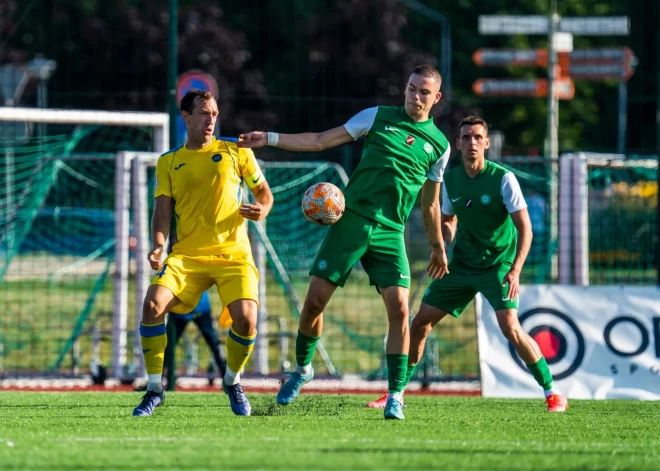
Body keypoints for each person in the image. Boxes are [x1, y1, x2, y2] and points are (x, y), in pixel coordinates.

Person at [238, 65, 451, 420]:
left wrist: (437, 247)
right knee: (314, 303)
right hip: (350, 222)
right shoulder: (377, 117)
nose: (416, 96)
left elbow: (430, 204)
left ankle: (396, 394)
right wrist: (270, 138)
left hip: (390, 232)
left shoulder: (440, 146)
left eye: (424, 92)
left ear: (436, 98)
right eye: (411, 89)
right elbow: (321, 140)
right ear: (404, 89)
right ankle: (303, 368)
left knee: (400, 310)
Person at [369, 116, 568, 412]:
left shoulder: (502, 178)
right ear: (458, 144)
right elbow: (448, 219)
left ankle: (553, 392)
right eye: (466, 137)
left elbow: (525, 228)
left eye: (477, 137)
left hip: (498, 267)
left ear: (486, 143)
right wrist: (442, 240)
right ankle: (395, 392)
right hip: (460, 266)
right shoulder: (450, 181)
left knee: (511, 328)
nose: (472, 142)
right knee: (420, 322)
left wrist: (515, 270)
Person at [132, 89, 274, 417]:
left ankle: (232, 381)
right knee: (152, 305)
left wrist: (262, 209)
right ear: (186, 117)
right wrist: (158, 244)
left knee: (247, 319)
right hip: (187, 257)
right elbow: (162, 212)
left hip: (233, 254)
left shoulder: (237, 151)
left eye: (214, 113)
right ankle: (154, 389)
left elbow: (264, 194)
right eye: (203, 113)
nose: (210, 120)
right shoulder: (169, 162)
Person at [162, 290, 227, 384]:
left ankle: (228, 379)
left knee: (214, 342)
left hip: (201, 308)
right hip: (180, 311)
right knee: (168, 345)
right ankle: (156, 380)